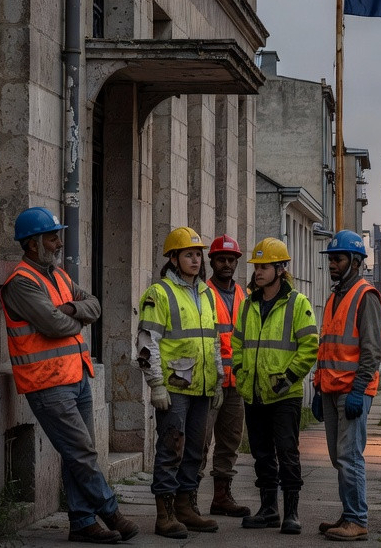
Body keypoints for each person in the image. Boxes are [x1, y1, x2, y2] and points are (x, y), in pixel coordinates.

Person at [0, 207, 137, 544]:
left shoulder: (58, 277)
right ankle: (110, 510)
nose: (59, 242)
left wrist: (72, 310)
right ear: (33, 244)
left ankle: (81, 522)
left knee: (78, 452)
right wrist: (74, 319)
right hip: (47, 383)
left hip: (76, 377)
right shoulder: (21, 282)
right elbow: (53, 324)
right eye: (52, 236)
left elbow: (95, 304)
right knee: (81, 452)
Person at [137, 226, 223, 538]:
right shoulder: (159, 293)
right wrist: (156, 384)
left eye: (199, 254)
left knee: (196, 451)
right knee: (171, 449)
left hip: (202, 386)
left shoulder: (206, 294)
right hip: (175, 387)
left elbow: (212, 342)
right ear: (173, 258)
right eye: (189, 254)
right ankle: (165, 515)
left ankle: (187, 508)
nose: (196, 259)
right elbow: (147, 342)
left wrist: (219, 380)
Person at [232, 237, 319, 535]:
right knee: (261, 453)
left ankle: (291, 513)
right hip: (254, 392)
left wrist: (289, 378)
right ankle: (268, 509)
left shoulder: (298, 303)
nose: (258, 271)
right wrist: (241, 374)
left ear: (280, 269)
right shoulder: (248, 305)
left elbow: (309, 346)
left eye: (264, 266)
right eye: (256, 266)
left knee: (287, 452)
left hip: (284, 395)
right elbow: (238, 344)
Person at [312, 230, 381, 542]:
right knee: (338, 456)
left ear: (355, 261)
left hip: (352, 391)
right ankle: (348, 513)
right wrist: (317, 386)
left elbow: (372, 350)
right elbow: (326, 346)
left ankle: (357, 519)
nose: (332, 264)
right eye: (331, 259)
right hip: (331, 389)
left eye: (338, 259)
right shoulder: (334, 297)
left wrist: (358, 390)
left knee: (350, 456)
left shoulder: (364, 295)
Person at [200, 235, 253, 519]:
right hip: (210, 382)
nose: (227, 264)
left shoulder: (243, 295)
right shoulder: (202, 293)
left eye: (231, 260)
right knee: (200, 441)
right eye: (221, 259)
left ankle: (221, 496)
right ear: (212, 261)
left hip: (236, 384)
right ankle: (188, 501)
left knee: (230, 441)